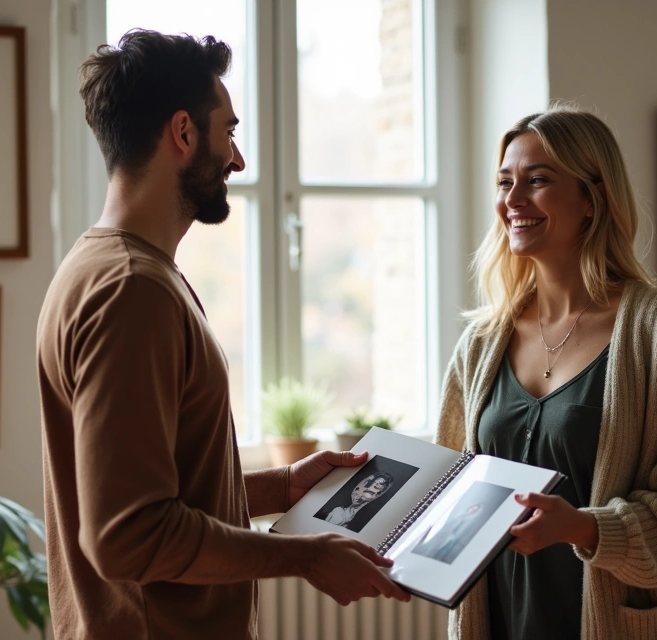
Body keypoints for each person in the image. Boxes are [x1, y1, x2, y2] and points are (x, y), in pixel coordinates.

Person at [36, 30, 407, 640]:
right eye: (229, 133)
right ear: (183, 133)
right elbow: (126, 536)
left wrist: (281, 487)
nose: (239, 160)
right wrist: (305, 557)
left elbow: (152, 482)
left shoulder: (98, 265)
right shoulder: (132, 290)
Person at [435, 105, 657, 640]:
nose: (512, 200)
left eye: (538, 180)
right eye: (505, 182)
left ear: (592, 200)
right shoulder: (480, 343)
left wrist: (583, 526)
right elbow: (450, 492)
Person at [412, 502, 487, 564]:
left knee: (435, 549)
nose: (471, 510)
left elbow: (457, 532)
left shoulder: (467, 521)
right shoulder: (458, 514)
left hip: (447, 538)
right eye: (472, 508)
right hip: (439, 532)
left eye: (474, 510)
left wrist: (450, 536)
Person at [323, 471, 393, 530]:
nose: (375, 484)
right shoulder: (338, 510)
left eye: (379, 485)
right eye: (369, 482)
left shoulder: (365, 521)